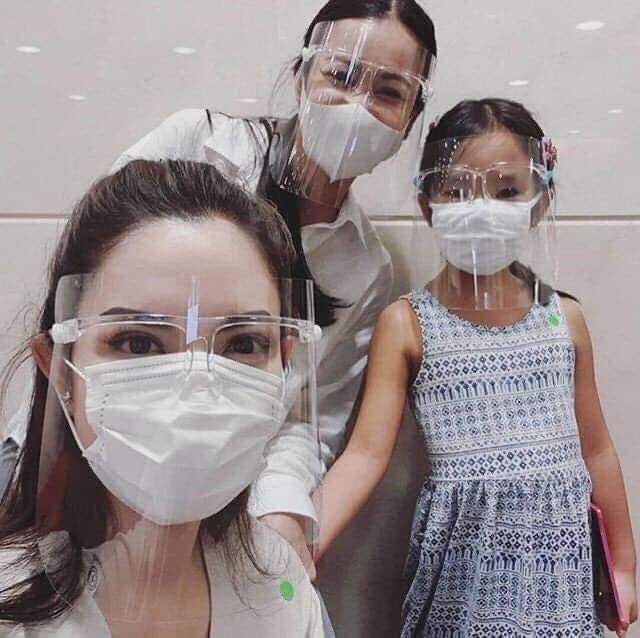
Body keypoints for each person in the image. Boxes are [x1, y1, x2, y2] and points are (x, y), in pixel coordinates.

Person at [103, 0, 438, 570]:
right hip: (98, 469)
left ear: (410, 120)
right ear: (301, 76)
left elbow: (308, 420)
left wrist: (283, 512)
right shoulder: (199, 146)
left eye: (388, 92)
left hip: (221, 514)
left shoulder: (365, 266)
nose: (358, 106)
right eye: (341, 74)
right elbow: (90, 295)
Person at [315, 98, 638, 636]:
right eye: (457, 191)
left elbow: (597, 449)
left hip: (560, 574)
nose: (482, 208)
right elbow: (366, 454)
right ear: (428, 205)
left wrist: (623, 563)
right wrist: (302, 540)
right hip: (462, 574)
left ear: (539, 200)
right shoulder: (408, 324)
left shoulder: (564, 320)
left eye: (507, 191)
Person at [0, 159, 325, 637]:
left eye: (243, 343)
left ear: (285, 364)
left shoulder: (281, 590)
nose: (196, 392)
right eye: (138, 343)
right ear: (60, 369)